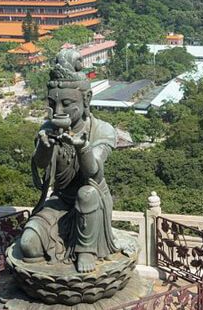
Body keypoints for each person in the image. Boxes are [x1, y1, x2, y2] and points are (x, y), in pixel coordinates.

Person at [20, 49, 119, 273]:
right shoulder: (48, 128)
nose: (58, 110)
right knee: (28, 245)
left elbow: (94, 171)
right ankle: (42, 275)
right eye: (52, 104)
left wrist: (82, 146)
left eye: (66, 103)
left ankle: (87, 249)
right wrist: (45, 146)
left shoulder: (101, 130)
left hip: (92, 204)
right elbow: (41, 165)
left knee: (86, 193)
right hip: (60, 201)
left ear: (86, 99)